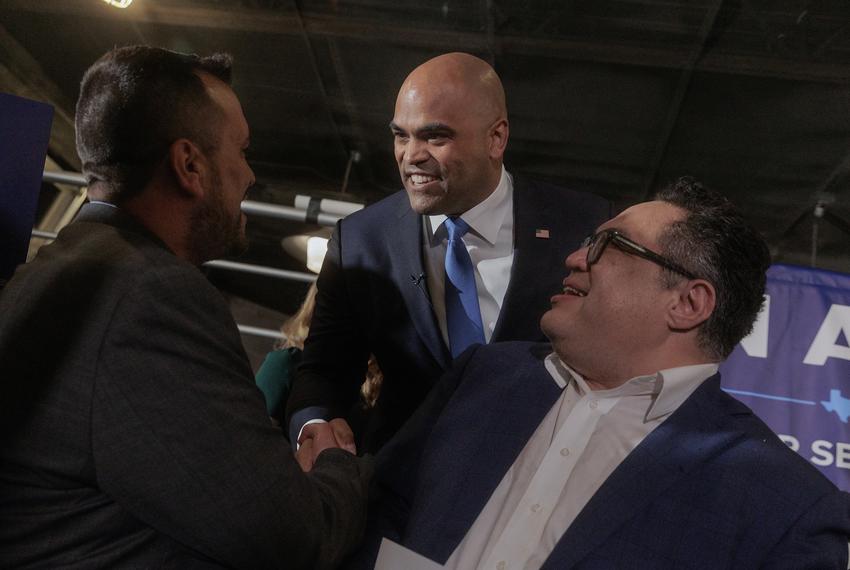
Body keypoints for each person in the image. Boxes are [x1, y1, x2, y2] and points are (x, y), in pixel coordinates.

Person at [351, 177, 850, 569]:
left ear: (687, 303)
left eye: (607, 245)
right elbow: (382, 513)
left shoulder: (784, 510)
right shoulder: (482, 377)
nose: (572, 257)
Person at [0, 46, 370, 569]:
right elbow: (294, 539)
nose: (248, 175)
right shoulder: (149, 295)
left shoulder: (52, 269)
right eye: (241, 150)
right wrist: (338, 461)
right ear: (190, 166)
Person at [287, 52, 612, 463]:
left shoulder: (581, 224)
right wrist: (313, 424)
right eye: (401, 136)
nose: (411, 155)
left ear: (496, 138)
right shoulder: (361, 240)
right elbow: (323, 371)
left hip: (534, 485)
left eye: (435, 137)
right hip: (400, 491)